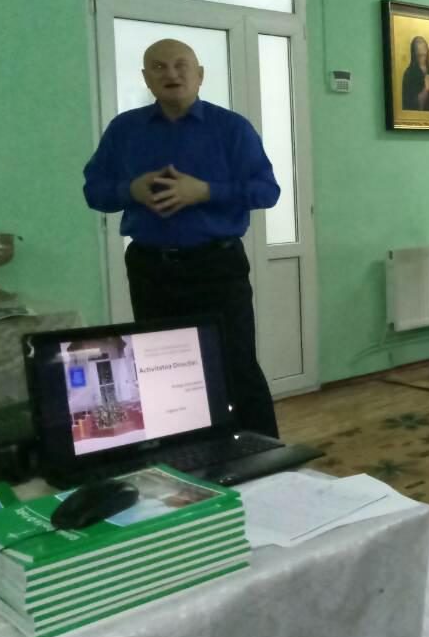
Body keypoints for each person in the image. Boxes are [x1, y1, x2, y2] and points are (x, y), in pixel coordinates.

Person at [83, 39, 281, 438]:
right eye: (159, 67)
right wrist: (130, 190)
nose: (171, 74)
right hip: (151, 268)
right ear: (146, 78)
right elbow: (94, 192)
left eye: (180, 65)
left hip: (216, 265)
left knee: (235, 365)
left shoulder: (231, 128)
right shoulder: (125, 130)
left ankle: (266, 456)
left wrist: (204, 191)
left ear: (199, 74)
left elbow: (267, 191)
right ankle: (181, 454)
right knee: (160, 368)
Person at [400, 35, 429, 111]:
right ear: (414, 53)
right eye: (419, 55)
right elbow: (409, 104)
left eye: (423, 55)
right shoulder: (409, 74)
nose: (422, 58)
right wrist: (425, 90)